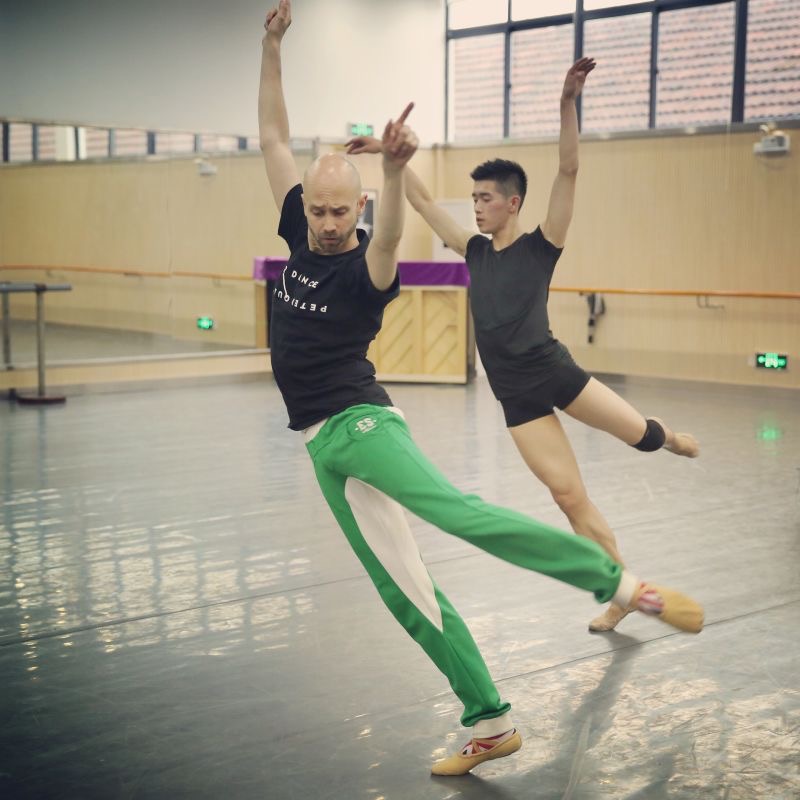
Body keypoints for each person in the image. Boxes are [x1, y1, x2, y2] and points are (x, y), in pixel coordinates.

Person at [260, 2, 703, 776]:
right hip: (319, 441)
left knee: (461, 516)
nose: (326, 223)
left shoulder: (369, 263)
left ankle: (623, 584)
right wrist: (270, 49)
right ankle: (490, 721)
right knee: (407, 594)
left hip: (362, 424)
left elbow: (398, 228)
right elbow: (271, 137)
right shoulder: (301, 221)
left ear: (357, 208)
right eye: (317, 209)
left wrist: (394, 173)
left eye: (340, 211)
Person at [347, 57, 700, 635]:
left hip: (560, 375)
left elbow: (568, 169)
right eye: (475, 196)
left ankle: (667, 437)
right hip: (518, 399)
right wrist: (393, 160)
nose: (477, 204)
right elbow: (423, 203)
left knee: (642, 439)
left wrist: (567, 102)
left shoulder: (542, 245)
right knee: (568, 496)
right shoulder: (474, 251)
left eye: (486, 197)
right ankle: (619, 591)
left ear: (512, 202)